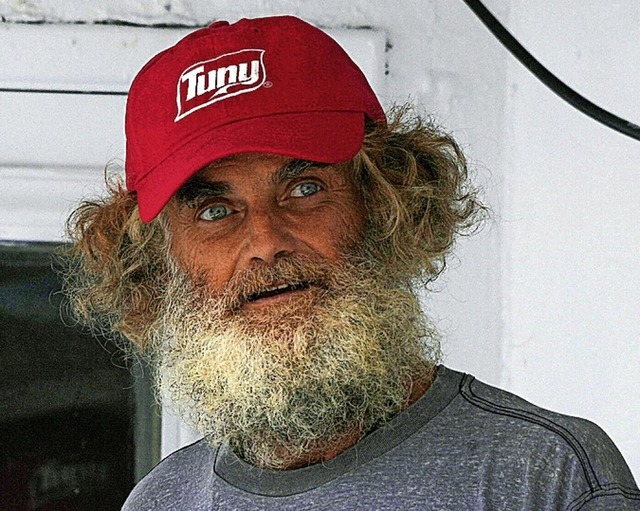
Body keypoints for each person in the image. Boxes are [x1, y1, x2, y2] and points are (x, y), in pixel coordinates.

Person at [61, 15, 639, 510]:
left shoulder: (544, 477)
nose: (266, 240)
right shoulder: (162, 501)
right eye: (215, 211)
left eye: (305, 188)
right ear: (158, 265)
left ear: (388, 204)